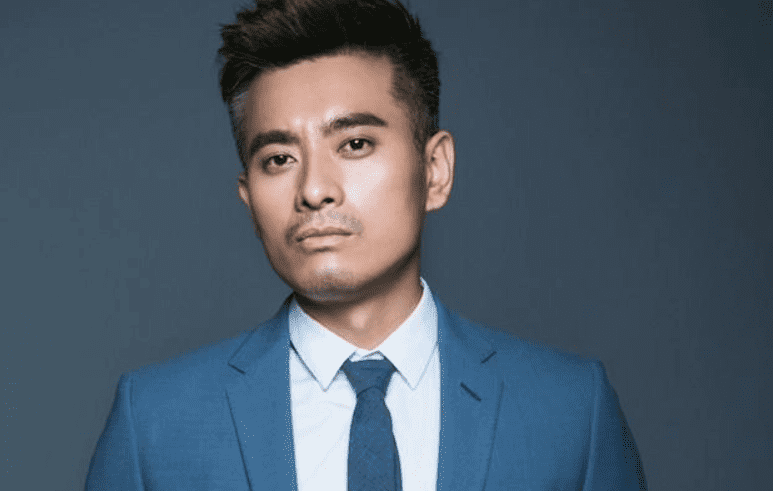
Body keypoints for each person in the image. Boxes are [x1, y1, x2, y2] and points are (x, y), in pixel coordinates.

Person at [85, 1, 646, 489]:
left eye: (354, 144)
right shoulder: (155, 424)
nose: (314, 190)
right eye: (278, 159)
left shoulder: (571, 411)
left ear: (435, 170)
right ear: (248, 198)